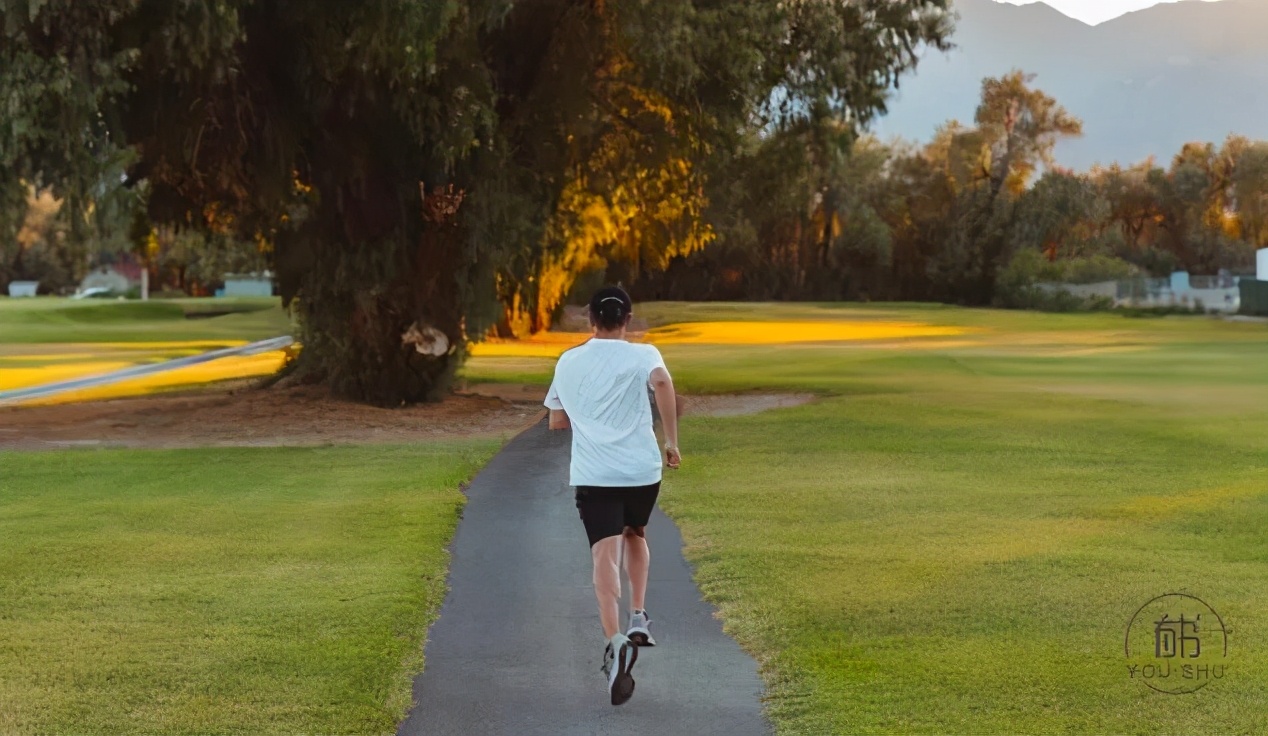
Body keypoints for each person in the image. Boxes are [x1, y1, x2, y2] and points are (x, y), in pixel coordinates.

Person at [544, 286, 681, 706]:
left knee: (604, 553)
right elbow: (661, 381)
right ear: (628, 320)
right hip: (642, 471)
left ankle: (615, 639)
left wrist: (586, 416)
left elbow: (556, 421)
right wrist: (671, 441)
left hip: (595, 473)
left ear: (591, 320)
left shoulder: (569, 360)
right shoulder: (644, 355)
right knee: (635, 532)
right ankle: (639, 614)